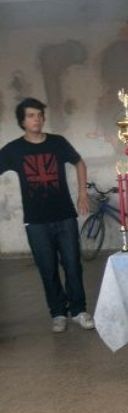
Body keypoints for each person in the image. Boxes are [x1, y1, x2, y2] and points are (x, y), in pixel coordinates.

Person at [0, 97, 94, 333]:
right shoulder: (14, 149)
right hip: (36, 221)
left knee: (73, 265)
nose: (37, 119)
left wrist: (82, 193)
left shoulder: (57, 143)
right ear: (22, 121)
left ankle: (79, 310)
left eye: (40, 115)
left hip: (64, 215)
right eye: (31, 116)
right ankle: (58, 313)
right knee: (47, 269)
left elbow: (79, 163)